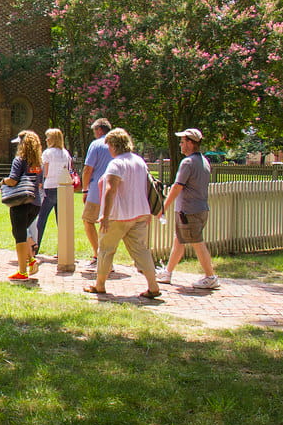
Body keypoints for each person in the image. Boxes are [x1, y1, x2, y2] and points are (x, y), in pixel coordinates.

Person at [83, 128, 162, 298]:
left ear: (113, 145)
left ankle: (100, 285)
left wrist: (104, 215)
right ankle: (153, 286)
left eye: (109, 145)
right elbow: (148, 186)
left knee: (105, 249)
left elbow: (110, 189)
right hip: (140, 213)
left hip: (118, 215)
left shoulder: (116, 163)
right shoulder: (139, 161)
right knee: (141, 250)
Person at [156, 128, 220, 289]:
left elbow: (177, 187)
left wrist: (163, 207)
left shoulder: (187, 162)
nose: (180, 145)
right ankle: (167, 273)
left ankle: (210, 276)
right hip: (200, 208)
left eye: (183, 142)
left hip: (188, 211)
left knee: (197, 242)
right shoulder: (204, 161)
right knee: (179, 241)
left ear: (191, 143)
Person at [2, 130, 43, 281]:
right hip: (36, 202)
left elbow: (13, 180)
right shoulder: (39, 162)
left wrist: (3, 181)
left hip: (21, 202)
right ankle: (31, 261)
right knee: (23, 232)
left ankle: (22, 271)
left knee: (19, 235)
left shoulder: (19, 160)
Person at [33, 128, 72, 255]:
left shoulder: (48, 153)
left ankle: (35, 247)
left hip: (49, 188)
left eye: (48, 137)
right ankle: (64, 250)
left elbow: (46, 172)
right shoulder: (65, 153)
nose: (46, 139)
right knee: (61, 221)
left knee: (41, 219)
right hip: (62, 188)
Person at [81, 117, 113, 267]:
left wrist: (85, 189)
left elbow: (88, 169)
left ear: (99, 130)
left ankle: (98, 254)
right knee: (109, 226)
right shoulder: (117, 144)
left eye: (94, 131)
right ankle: (107, 257)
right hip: (114, 192)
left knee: (88, 220)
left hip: (96, 191)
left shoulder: (96, 145)